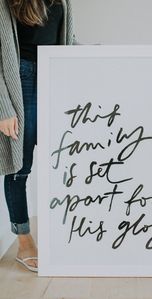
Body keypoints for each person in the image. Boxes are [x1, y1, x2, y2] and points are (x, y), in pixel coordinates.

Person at [0, 0, 77, 272]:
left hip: (57, 76)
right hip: (21, 79)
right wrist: (3, 107)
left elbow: (67, 38)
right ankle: (24, 241)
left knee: (67, 159)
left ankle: (73, 235)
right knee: (20, 166)